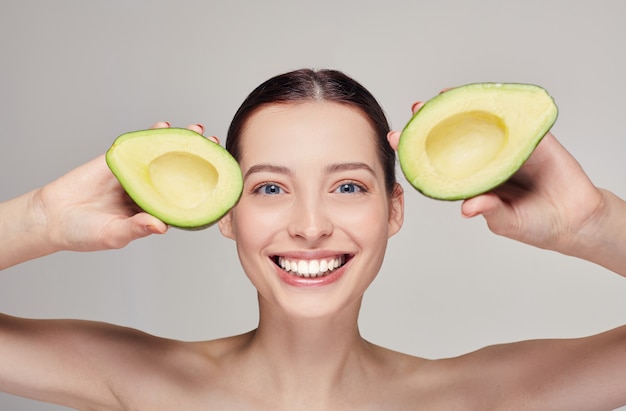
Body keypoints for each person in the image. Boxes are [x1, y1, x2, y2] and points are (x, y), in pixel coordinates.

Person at [0, 68, 625, 410]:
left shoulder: (482, 398)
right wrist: (40, 218)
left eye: (349, 187)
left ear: (393, 209)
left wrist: (593, 225)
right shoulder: (141, 382)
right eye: (269, 188)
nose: (309, 225)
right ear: (225, 213)